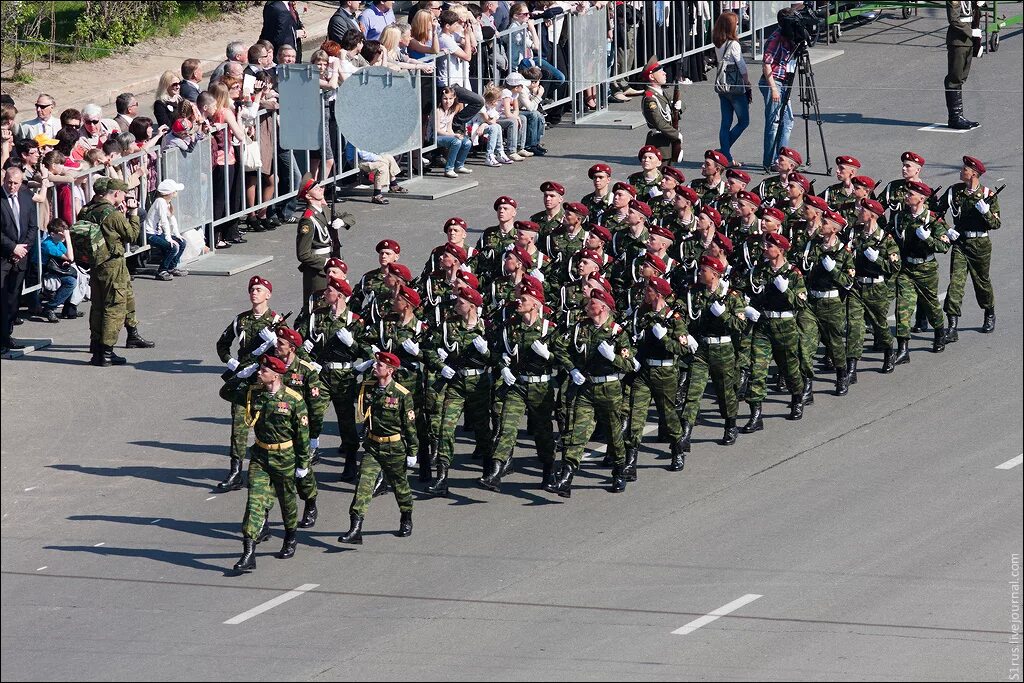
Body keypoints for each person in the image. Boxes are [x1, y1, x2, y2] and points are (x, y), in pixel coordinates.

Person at [221, 353, 310, 572]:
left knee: (287, 501)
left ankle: (290, 536)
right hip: (260, 456)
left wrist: (303, 464)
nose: (260, 373)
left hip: (285, 456)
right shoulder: (254, 394)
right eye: (260, 370)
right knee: (254, 502)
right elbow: (225, 392)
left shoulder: (293, 400)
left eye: (264, 371)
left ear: (277, 375)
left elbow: (302, 435)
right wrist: (241, 376)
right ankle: (249, 552)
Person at [549, 287, 634, 497]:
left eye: (592, 303)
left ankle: (619, 471)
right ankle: (566, 478)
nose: (587, 306)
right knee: (578, 432)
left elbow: (630, 365)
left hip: (609, 388)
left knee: (614, 433)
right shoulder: (580, 328)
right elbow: (559, 347)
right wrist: (572, 368)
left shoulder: (617, 333)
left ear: (603, 307)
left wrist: (612, 357)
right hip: (586, 387)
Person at [482, 278, 558, 491]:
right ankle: (496, 472)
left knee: (543, 432)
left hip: (540, 387)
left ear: (535, 303)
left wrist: (548, 355)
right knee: (507, 426)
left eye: (523, 299)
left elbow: (562, 361)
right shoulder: (510, 328)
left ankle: (548, 471)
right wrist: (503, 366)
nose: (518, 302)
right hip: (517, 385)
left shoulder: (548, 329)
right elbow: (497, 352)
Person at [215, 275, 287, 490]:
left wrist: (274, 342)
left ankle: (272, 469)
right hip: (243, 381)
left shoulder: (276, 321)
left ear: (268, 294)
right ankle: (236, 471)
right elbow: (222, 345)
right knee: (238, 427)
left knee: (269, 426)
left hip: (266, 382)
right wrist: (234, 365)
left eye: (259, 289)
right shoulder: (241, 320)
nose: (254, 293)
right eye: (252, 289)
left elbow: (286, 350)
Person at [338, 351, 417, 545]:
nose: (375, 367)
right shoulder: (368, 388)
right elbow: (344, 389)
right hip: (373, 446)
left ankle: (406, 516)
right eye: (375, 364)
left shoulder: (402, 394)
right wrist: (355, 372)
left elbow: (410, 427)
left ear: (390, 370)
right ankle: (355, 528)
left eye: (379, 365)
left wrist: (412, 452)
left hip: (394, 447)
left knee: (400, 486)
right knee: (363, 485)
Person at [296, 274, 368, 482]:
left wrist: (352, 345)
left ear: (340, 296)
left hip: (344, 376)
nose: (325, 293)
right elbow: (298, 343)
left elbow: (366, 352)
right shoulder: (317, 316)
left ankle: (351, 460)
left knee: (346, 420)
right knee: (314, 413)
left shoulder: (355, 322)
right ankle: (311, 450)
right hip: (321, 374)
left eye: (329, 291)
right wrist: (307, 357)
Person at [423, 286, 492, 496]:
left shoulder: (487, 328)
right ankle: (442, 477)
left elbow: (499, 359)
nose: (456, 305)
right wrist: (440, 366)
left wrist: (486, 351)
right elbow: (428, 348)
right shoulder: (448, 326)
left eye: (461, 302)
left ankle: (490, 470)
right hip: (455, 384)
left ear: (472, 306)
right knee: (446, 428)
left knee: (481, 428)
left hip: (478, 383)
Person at [79, 177, 154, 366]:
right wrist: (133, 214)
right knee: (114, 307)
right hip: (113, 264)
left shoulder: (86, 210)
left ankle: (98, 347)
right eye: (123, 193)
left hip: (97, 264)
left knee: (99, 306)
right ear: (116, 193)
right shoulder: (112, 214)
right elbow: (132, 235)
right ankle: (106, 352)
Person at [741, 232, 807, 432]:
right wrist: (746, 307)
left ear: (781, 250)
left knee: (790, 369)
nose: (765, 249)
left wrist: (786, 290)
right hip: (764, 325)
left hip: (785, 326)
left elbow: (802, 303)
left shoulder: (793, 274)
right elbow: (746, 292)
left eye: (769, 246)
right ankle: (756, 415)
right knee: (758, 370)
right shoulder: (758, 271)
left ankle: (797, 398)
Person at [624, 275, 689, 478]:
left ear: (658, 294)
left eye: (648, 291)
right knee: (636, 416)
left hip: (666, 371)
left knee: (668, 415)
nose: (644, 294)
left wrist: (665, 340)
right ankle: (630, 462)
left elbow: (683, 349)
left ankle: (677, 449)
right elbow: (631, 338)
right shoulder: (641, 315)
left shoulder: (674, 318)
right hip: (643, 372)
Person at [939, 155, 1000, 340]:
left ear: (974, 173)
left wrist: (986, 212)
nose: (961, 171)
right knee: (955, 283)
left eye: (964, 169)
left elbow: (996, 224)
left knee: (981, 282)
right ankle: (952, 326)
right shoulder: (953, 192)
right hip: (960, 243)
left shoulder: (989, 195)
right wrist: (947, 230)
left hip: (980, 244)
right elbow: (936, 212)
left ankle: (989, 312)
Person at [891, 180, 951, 364]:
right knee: (903, 307)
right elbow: (894, 239)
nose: (907, 197)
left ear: (922, 198)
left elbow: (944, 246)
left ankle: (940, 332)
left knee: (931, 304)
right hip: (907, 269)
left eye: (910, 194)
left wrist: (928, 240)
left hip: (926, 268)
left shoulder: (933, 220)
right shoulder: (901, 217)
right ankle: (903, 349)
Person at [847, 198, 900, 376]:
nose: (858, 213)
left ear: (872, 216)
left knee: (879, 325)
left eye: (862, 211)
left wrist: (876, 259)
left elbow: (894, 268)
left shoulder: (886, 239)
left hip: (876, 287)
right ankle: (851, 367)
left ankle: (888, 350)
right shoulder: (854, 234)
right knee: (855, 326)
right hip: (857, 286)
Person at [1, 168, 39, 352]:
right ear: (4, 179)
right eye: (9, 182)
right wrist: (12, 247)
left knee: (13, 299)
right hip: (3, 257)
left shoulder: (26, 198)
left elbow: (33, 227)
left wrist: (23, 249)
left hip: (21, 257)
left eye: (16, 183)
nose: (12, 186)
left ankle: (7, 335)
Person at [759, 8, 798, 171]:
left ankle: (782, 159)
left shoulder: (791, 36)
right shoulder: (776, 38)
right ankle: (771, 161)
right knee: (774, 123)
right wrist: (773, 88)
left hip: (784, 82)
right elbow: (766, 63)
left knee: (787, 121)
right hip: (774, 82)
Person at [436, 9, 484, 134]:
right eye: (456, 24)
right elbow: (467, 56)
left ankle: (457, 127)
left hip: (456, 81)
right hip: (448, 83)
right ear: (447, 26)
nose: (459, 26)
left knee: (461, 106)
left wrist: (468, 32)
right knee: (478, 101)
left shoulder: (453, 36)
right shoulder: (444, 39)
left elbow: (473, 46)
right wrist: (466, 36)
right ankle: (456, 122)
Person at [713, 11, 751, 167]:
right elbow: (741, 64)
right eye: (735, 24)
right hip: (735, 86)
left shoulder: (718, 42)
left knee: (725, 122)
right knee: (744, 121)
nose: (737, 25)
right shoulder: (733, 44)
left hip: (722, 86)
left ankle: (725, 154)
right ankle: (725, 152)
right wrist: (747, 81)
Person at [945, 1, 981, 129]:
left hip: (968, 41)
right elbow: (954, 19)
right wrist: (970, 32)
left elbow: (973, 12)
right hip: (958, 41)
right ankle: (955, 118)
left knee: (961, 77)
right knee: (954, 78)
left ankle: (959, 116)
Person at [144, 179, 189, 280]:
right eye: (175, 191)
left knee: (182, 242)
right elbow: (164, 221)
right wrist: (169, 238)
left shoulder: (167, 202)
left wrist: (177, 234)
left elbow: (172, 219)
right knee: (173, 247)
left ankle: (171, 267)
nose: (176, 193)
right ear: (169, 193)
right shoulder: (160, 202)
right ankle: (162, 270)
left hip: (158, 233)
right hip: (150, 234)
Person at [640, 58, 682, 163]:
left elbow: (675, 106)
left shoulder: (661, 93)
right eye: (660, 71)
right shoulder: (650, 98)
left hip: (668, 141)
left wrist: (680, 106)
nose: (664, 73)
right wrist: (675, 134)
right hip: (659, 144)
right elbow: (659, 122)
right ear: (651, 76)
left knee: (669, 177)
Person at [432, 87, 473, 177]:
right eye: (445, 98)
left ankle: (459, 165)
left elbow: (449, 128)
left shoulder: (451, 111)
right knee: (456, 141)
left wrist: (455, 134)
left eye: (450, 99)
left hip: (445, 135)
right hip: (434, 137)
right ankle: (449, 169)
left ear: (454, 99)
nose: (448, 101)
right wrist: (454, 136)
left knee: (467, 142)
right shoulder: (438, 111)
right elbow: (437, 130)